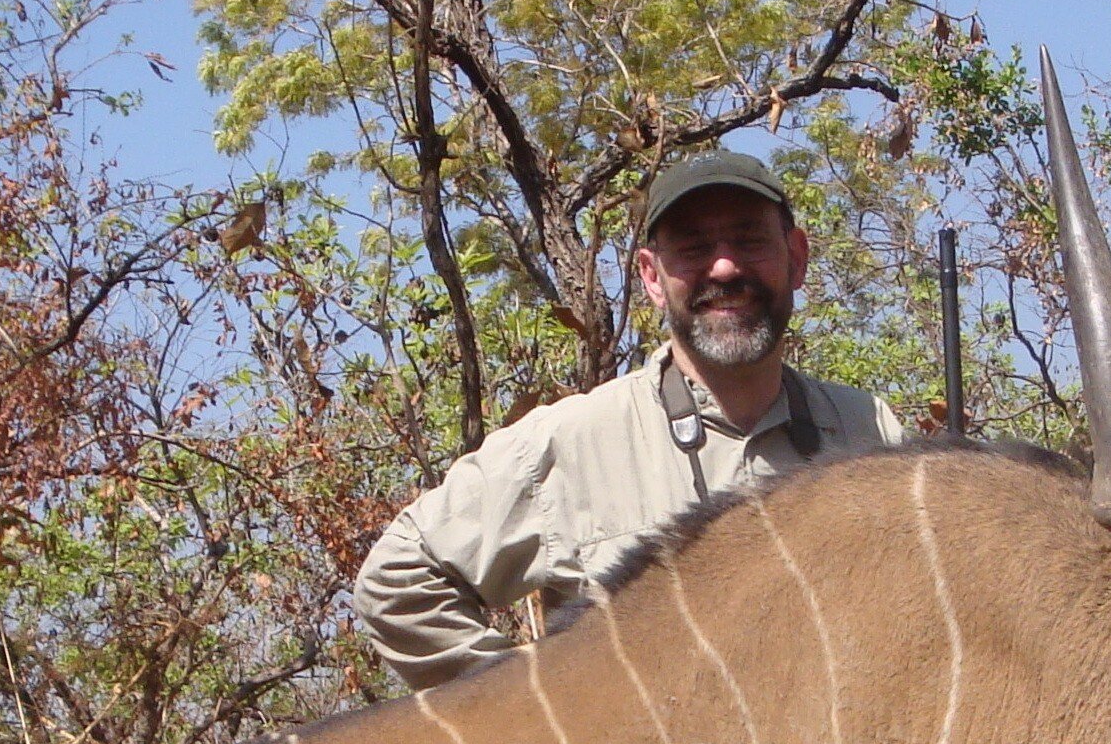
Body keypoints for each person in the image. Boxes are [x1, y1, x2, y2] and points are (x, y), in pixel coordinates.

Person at [351, 150, 907, 690]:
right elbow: (397, 579)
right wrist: (534, 710)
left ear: (797, 258)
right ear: (651, 277)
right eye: (692, 248)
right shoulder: (574, 439)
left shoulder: (869, 430)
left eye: (749, 240)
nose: (723, 266)